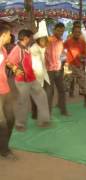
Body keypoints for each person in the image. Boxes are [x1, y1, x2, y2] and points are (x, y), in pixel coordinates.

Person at [7, 29, 50, 131]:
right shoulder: (17, 49)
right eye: (30, 37)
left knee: (42, 96)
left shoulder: (26, 48)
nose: (32, 39)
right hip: (22, 81)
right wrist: (15, 69)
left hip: (31, 78)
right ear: (26, 38)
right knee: (23, 102)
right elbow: (8, 61)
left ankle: (43, 120)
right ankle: (20, 124)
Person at [0, 24, 18, 159]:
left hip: (5, 90)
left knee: (11, 119)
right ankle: (4, 150)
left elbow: (6, 62)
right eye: (9, 34)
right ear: (3, 35)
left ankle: (3, 146)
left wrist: (14, 67)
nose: (11, 36)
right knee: (2, 123)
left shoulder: (3, 49)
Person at [45, 22, 69, 116]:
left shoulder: (61, 41)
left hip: (59, 69)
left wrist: (65, 62)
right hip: (49, 70)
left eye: (62, 31)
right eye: (58, 30)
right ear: (54, 30)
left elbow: (62, 55)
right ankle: (48, 114)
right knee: (50, 92)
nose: (60, 33)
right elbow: (43, 53)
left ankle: (63, 110)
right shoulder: (48, 40)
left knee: (62, 90)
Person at [64, 26, 86, 107]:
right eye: (75, 32)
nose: (77, 33)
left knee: (83, 84)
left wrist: (82, 56)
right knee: (65, 84)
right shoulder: (68, 41)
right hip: (70, 66)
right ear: (72, 32)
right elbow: (61, 50)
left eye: (79, 32)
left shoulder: (83, 42)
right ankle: (62, 102)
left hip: (79, 66)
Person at [30, 20, 51, 119]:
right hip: (36, 76)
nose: (44, 42)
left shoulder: (43, 48)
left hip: (43, 75)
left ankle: (39, 113)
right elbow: (35, 66)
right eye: (42, 40)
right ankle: (36, 113)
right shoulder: (34, 49)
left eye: (45, 40)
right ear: (37, 40)